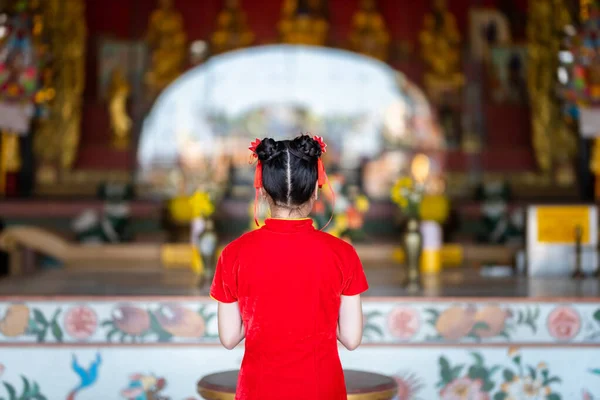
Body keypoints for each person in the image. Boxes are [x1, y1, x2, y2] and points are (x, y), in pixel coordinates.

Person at [210, 135, 368, 400]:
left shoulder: (233, 254)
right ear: (316, 191)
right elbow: (351, 339)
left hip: (259, 390)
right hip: (320, 390)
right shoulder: (343, 253)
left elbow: (229, 338)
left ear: (262, 190)